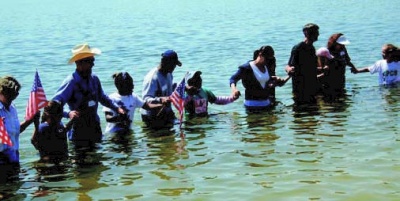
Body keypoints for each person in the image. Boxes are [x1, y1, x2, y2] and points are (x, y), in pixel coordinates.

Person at [52, 43, 125, 145]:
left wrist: (117, 108)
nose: (93, 65)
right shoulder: (71, 82)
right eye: (90, 62)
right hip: (78, 132)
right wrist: (68, 113)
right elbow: (54, 105)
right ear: (79, 63)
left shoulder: (94, 79)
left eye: (93, 61)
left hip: (95, 128)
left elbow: (102, 97)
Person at [0, 76, 38, 181]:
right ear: (2, 91)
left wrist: (30, 120)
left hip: (14, 157)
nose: (13, 97)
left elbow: (16, 131)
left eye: (15, 94)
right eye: (10, 95)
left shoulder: (13, 107)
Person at [230, 45, 287, 111]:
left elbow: (264, 81)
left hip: (267, 105)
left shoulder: (266, 66)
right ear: (260, 54)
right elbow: (233, 79)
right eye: (267, 59)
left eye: (270, 59)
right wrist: (234, 90)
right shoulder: (247, 68)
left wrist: (275, 80)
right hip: (251, 106)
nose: (268, 62)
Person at [141, 50, 182, 129]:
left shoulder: (169, 73)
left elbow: (169, 88)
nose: (174, 67)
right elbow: (145, 100)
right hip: (152, 116)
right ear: (164, 62)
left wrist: (182, 87)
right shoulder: (152, 78)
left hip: (166, 112)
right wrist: (160, 99)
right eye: (173, 64)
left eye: (175, 65)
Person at [285, 23, 320, 104]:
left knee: (312, 113)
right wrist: (289, 70)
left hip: (312, 86)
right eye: (315, 32)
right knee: (300, 112)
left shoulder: (311, 48)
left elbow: (310, 68)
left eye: (317, 32)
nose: (318, 34)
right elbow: (288, 65)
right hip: (300, 88)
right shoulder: (299, 48)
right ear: (307, 34)